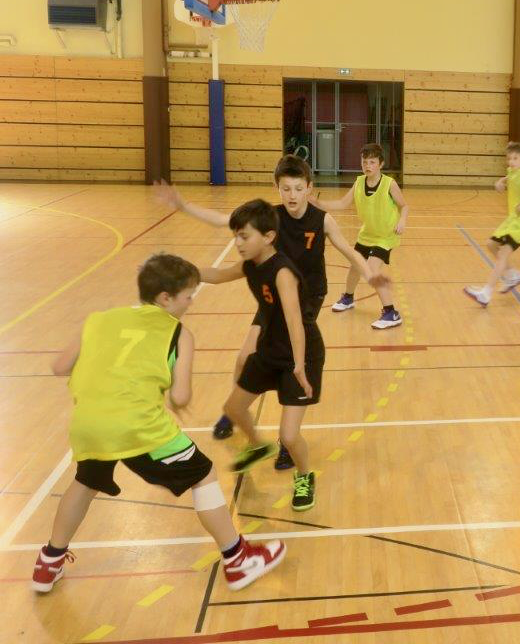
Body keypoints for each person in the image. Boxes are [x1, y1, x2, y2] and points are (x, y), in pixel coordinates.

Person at [33, 254, 286, 594]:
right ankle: (238, 559)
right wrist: (177, 398)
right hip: (139, 427)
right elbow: (180, 396)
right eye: (188, 296)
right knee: (204, 474)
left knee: (85, 482)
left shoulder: (99, 319)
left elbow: (60, 366)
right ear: (166, 298)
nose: (191, 302)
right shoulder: (179, 333)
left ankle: (49, 562)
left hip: (88, 425)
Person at [155, 156, 384, 456]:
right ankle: (235, 411)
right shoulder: (270, 218)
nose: (292, 195)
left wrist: (370, 275)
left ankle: (288, 439)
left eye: (298, 188)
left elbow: (349, 252)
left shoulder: (322, 220)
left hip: (307, 298)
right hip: (272, 294)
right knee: (243, 358)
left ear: (309, 188)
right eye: (285, 189)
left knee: (290, 359)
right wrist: (183, 206)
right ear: (277, 188)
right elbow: (223, 220)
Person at [199, 200, 327, 512]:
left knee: (289, 436)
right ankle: (257, 446)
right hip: (270, 349)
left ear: (268, 237)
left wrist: (300, 366)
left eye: (244, 236)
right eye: (236, 236)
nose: (238, 243)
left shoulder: (282, 272)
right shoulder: (250, 265)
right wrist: (174, 270)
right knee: (233, 408)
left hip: (301, 354)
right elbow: (216, 275)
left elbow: (295, 321)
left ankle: (304, 475)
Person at [312, 143, 408, 328]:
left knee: (372, 269)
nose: (367, 166)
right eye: (364, 162)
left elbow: (404, 206)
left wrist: (402, 220)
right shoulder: (359, 182)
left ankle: (391, 313)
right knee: (355, 266)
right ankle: (348, 298)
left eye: (372, 162)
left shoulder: (389, 184)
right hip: (367, 234)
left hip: (385, 236)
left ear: (381, 164)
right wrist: (318, 203)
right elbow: (342, 203)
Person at [464, 142, 520, 306]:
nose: (511, 162)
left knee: (503, 254)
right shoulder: (512, 172)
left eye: (515, 158)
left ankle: (486, 293)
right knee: (491, 244)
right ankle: (513, 275)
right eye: (509, 158)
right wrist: (500, 182)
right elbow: (509, 177)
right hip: (514, 219)